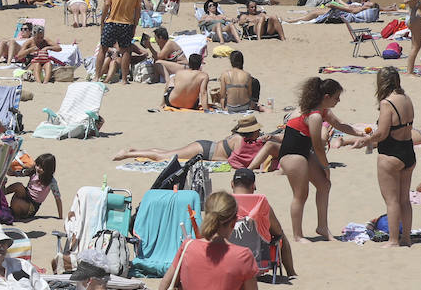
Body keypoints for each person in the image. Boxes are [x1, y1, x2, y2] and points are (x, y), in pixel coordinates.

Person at [278, 77, 359, 241]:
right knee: (301, 195)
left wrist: (361, 133)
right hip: (292, 154)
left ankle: (322, 227)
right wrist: (326, 167)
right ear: (326, 97)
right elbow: (318, 146)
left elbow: (340, 125)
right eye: (337, 97)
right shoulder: (314, 115)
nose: (339, 100)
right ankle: (298, 235)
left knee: (324, 185)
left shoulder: (322, 110)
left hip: (304, 152)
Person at [350, 67, 416, 247]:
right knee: (404, 200)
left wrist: (366, 140)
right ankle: (406, 238)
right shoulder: (406, 99)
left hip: (391, 154)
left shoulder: (387, 103)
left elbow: (382, 133)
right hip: (408, 151)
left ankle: (394, 240)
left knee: (392, 201)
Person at [114, 115, 279, 170]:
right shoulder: (240, 140)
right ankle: (127, 154)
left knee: (166, 152)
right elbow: (235, 160)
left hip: (205, 147)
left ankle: (136, 150)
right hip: (203, 150)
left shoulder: (243, 139)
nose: (259, 131)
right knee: (164, 157)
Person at [230, 168, 296, 277]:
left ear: (232, 184)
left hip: (230, 258)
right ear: (253, 186)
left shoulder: (225, 202)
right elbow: (277, 231)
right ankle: (291, 273)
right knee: (281, 235)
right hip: (258, 258)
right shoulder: (261, 204)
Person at [97, 0, 141, 85]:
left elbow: (106, 4)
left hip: (112, 21)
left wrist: (102, 20)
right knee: (126, 51)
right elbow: (138, 11)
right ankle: (124, 79)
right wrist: (135, 25)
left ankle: (96, 76)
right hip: (127, 24)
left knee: (103, 48)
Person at [6, 152, 63, 220]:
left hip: (32, 206)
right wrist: (12, 172)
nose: (38, 168)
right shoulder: (33, 172)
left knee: (16, 203)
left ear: (49, 170)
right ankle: (0, 194)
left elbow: (57, 198)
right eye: (37, 165)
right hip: (26, 195)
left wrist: (60, 217)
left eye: (42, 168)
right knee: (18, 185)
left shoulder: (51, 182)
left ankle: (17, 215)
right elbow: (19, 173)